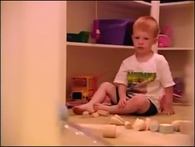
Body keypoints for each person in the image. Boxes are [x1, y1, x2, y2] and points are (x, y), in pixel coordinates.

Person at [73, 16, 175, 116]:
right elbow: (122, 83)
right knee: (105, 85)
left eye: (145, 38)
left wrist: (168, 104)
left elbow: (168, 85)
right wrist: (122, 97)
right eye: (137, 38)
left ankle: (109, 109)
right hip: (126, 99)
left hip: (147, 102)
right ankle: (90, 105)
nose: (140, 42)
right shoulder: (127, 62)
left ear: (154, 41)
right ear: (132, 38)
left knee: (139, 100)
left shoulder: (159, 61)